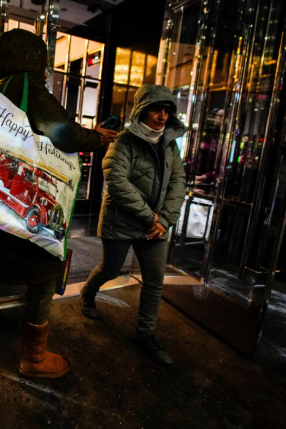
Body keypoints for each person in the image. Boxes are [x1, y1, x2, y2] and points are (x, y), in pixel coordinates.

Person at [0, 29, 118, 397]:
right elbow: (61, 132)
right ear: (37, 61)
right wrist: (95, 138)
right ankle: (34, 359)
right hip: (19, 224)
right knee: (44, 278)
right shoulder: (31, 89)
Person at [80, 84, 186, 366]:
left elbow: (178, 183)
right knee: (111, 269)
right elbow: (116, 181)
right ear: (142, 110)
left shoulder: (170, 144)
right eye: (156, 110)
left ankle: (145, 334)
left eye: (166, 111)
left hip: (156, 227)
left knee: (154, 282)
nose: (162, 117)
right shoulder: (123, 141)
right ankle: (88, 293)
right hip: (122, 221)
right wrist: (150, 217)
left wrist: (164, 219)